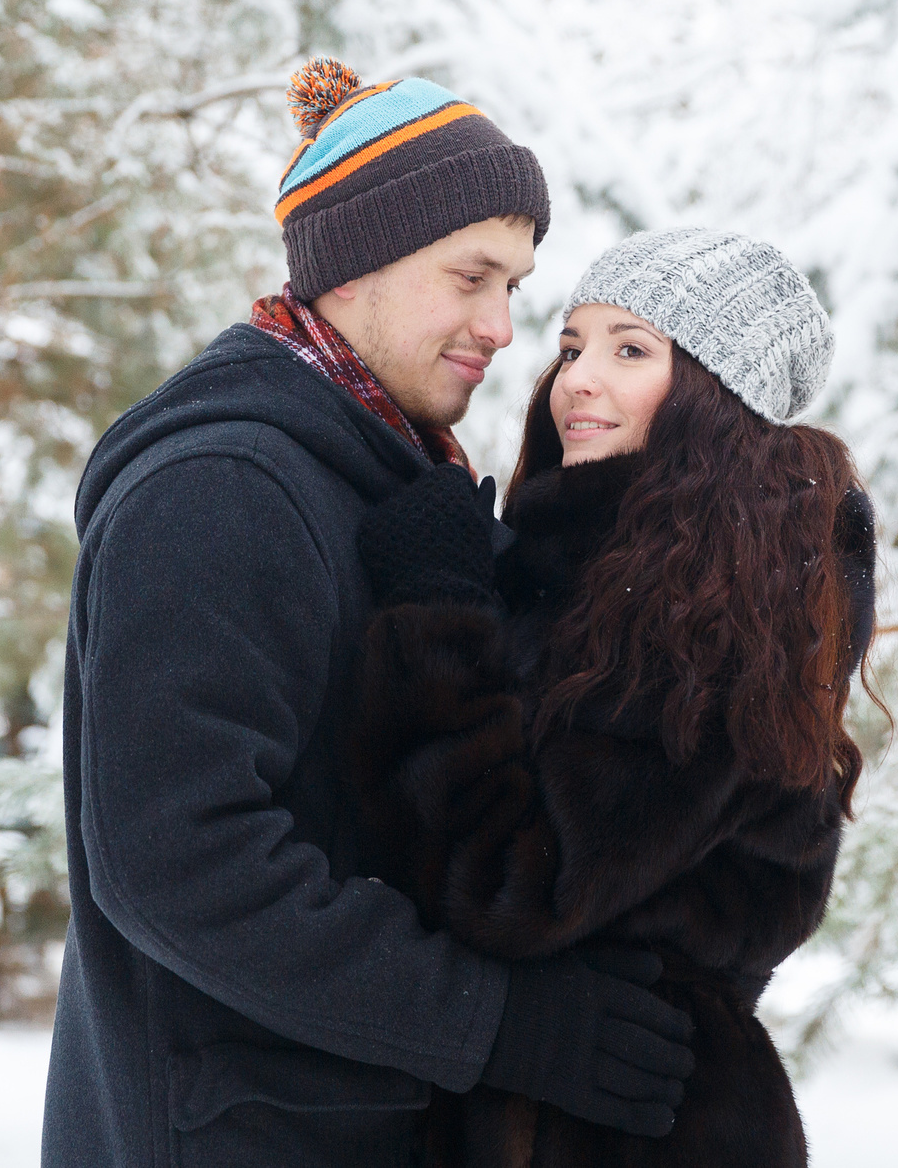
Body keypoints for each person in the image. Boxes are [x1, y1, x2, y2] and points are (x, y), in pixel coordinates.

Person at [45, 63, 696, 1168]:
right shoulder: (221, 490)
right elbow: (180, 862)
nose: (500, 328)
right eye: (470, 277)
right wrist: (496, 1023)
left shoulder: (380, 482)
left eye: (514, 286)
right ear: (357, 263)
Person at [349, 227, 879, 1168]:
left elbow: (515, 883)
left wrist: (435, 617)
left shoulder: (716, 617)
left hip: (631, 1130)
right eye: (571, 346)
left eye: (629, 349)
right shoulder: (620, 572)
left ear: (720, 394)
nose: (575, 380)